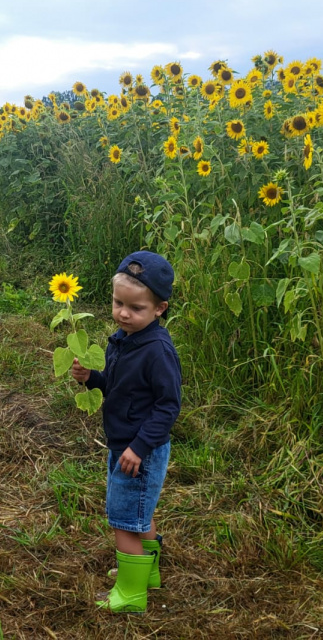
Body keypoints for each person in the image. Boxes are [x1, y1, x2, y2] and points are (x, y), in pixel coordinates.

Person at [70, 251, 182, 613]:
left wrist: (138, 447)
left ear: (159, 309)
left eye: (135, 308)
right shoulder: (122, 339)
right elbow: (118, 385)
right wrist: (92, 379)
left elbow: (168, 406)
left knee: (123, 520)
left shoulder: (157, 351)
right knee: (139, 513)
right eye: (118, 303)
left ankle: (131, 595)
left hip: (138, 451)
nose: (122, 313)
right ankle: (146, 574)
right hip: (127, 444)